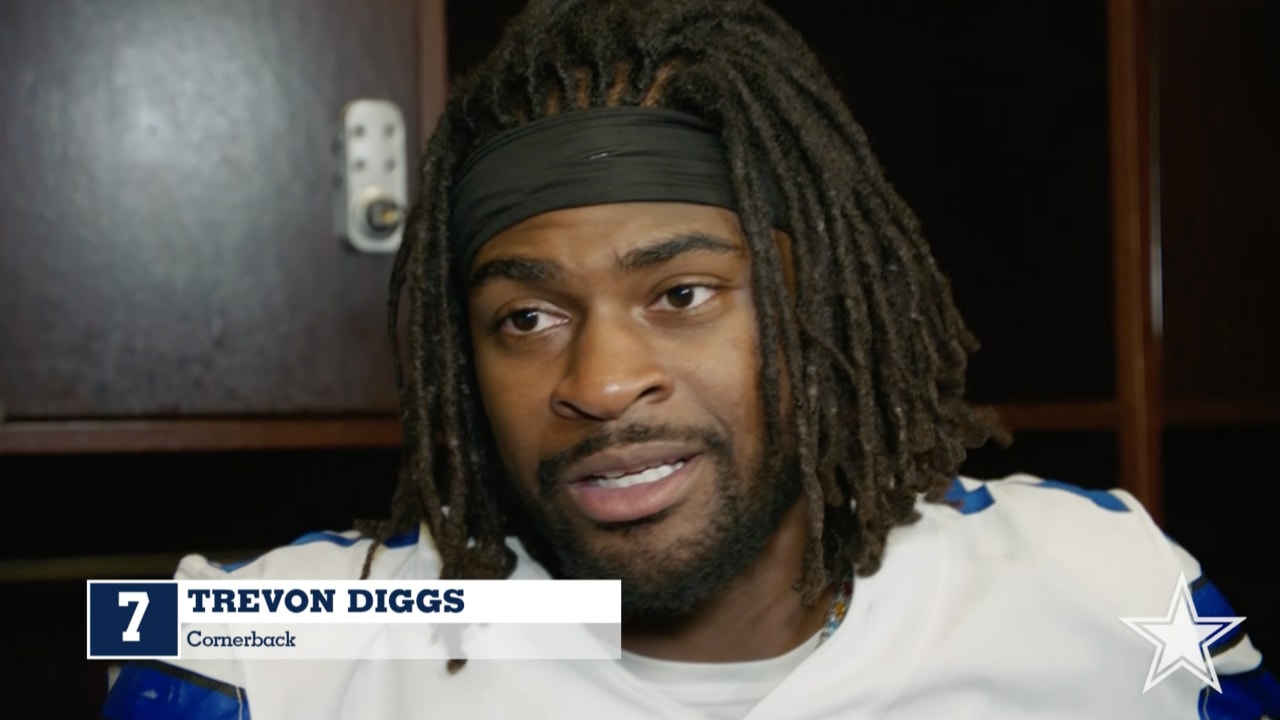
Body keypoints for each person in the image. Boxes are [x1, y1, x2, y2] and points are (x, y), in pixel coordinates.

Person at [103, 0, 1278, 718]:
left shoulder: (1102, 591)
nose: (602, 382)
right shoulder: (265, 652)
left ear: (817, 305)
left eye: (680, 293)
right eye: (526, 317)